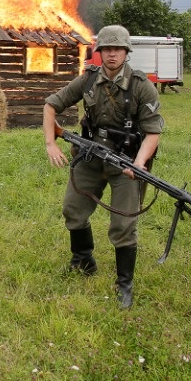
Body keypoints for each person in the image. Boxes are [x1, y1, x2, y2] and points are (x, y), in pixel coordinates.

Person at [43, 25, 164, 309]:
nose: (112, 54)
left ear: (125, 52)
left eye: (117, 49)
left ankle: (124, 285)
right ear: (99, 53)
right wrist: (51, 143)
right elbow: (51, 105)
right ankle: (83, 261)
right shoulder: (87, 80)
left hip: (126, 163)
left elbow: (154, 132)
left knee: (123, 224)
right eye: (106, 49)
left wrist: (139, 163)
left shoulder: (140, 85)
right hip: (90, 156)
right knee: (73, 210)